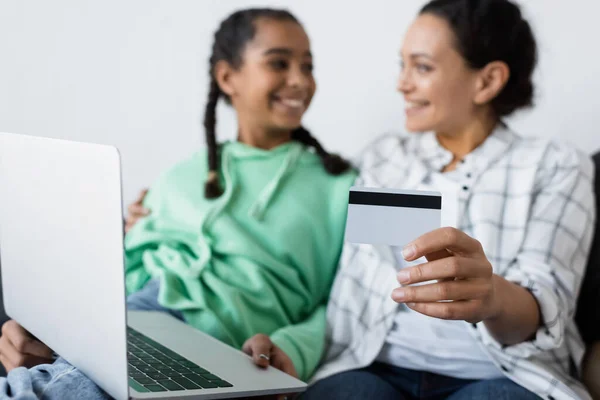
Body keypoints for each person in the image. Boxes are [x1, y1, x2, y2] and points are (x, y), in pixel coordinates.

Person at [0, 7, 356, 398]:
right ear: (227, 77)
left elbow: (346, 301)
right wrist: (48, 327)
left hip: (221, 333)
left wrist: (292, 346)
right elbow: (127, 269)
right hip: (136, 315)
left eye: (307, 66)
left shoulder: (339, 186)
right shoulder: (182, 174)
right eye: (279, 63)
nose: (299, 80)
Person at [300, 0, 596, 399]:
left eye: (422, 67)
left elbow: (544, 308)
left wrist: (491, 296)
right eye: (402, 65)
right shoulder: (385, 157)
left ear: (487, 81)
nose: (402, 84)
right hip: (374, 367)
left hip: (502, 375)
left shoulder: (554, 165)